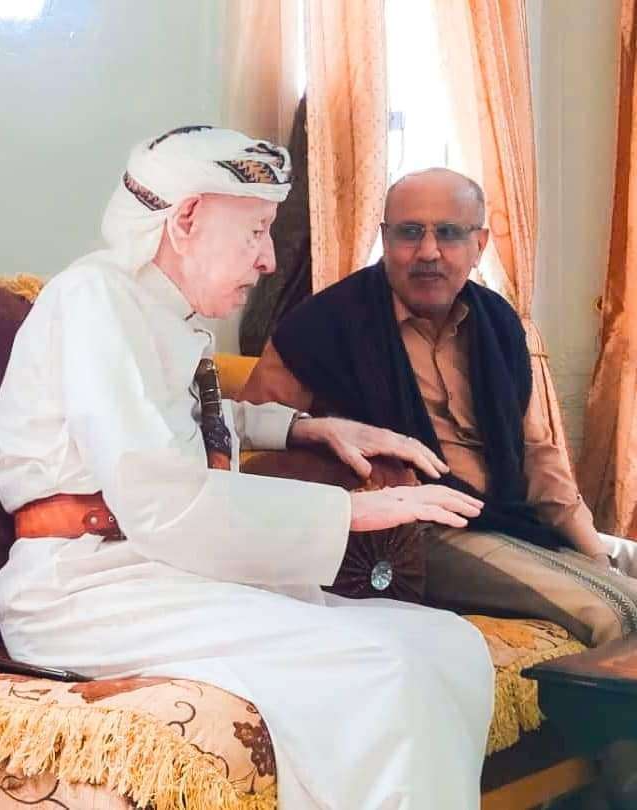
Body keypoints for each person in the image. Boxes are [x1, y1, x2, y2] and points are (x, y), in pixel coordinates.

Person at [0, 128, 494, 810]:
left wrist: (303, 426)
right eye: (255, 231)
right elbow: (158, 493)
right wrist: (354, 510)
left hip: (162, 572)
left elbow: (176, 420)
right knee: (382, 670)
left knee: (448, 643)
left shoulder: (161, 313)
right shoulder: (92, 299)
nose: (267, 259)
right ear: (186, 220)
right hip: (87, 587)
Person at [242, 167, 637, 650]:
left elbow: (537, 453)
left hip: (508, 516)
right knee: (615, 612)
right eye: (410, 232)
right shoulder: (323, 326)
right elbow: (251, 450)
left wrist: (594, 550)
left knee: (622, 570)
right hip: (414, 530)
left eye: (448, 233)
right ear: (385, 239)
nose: (428, 251)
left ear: (479, 244)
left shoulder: (499, 324)